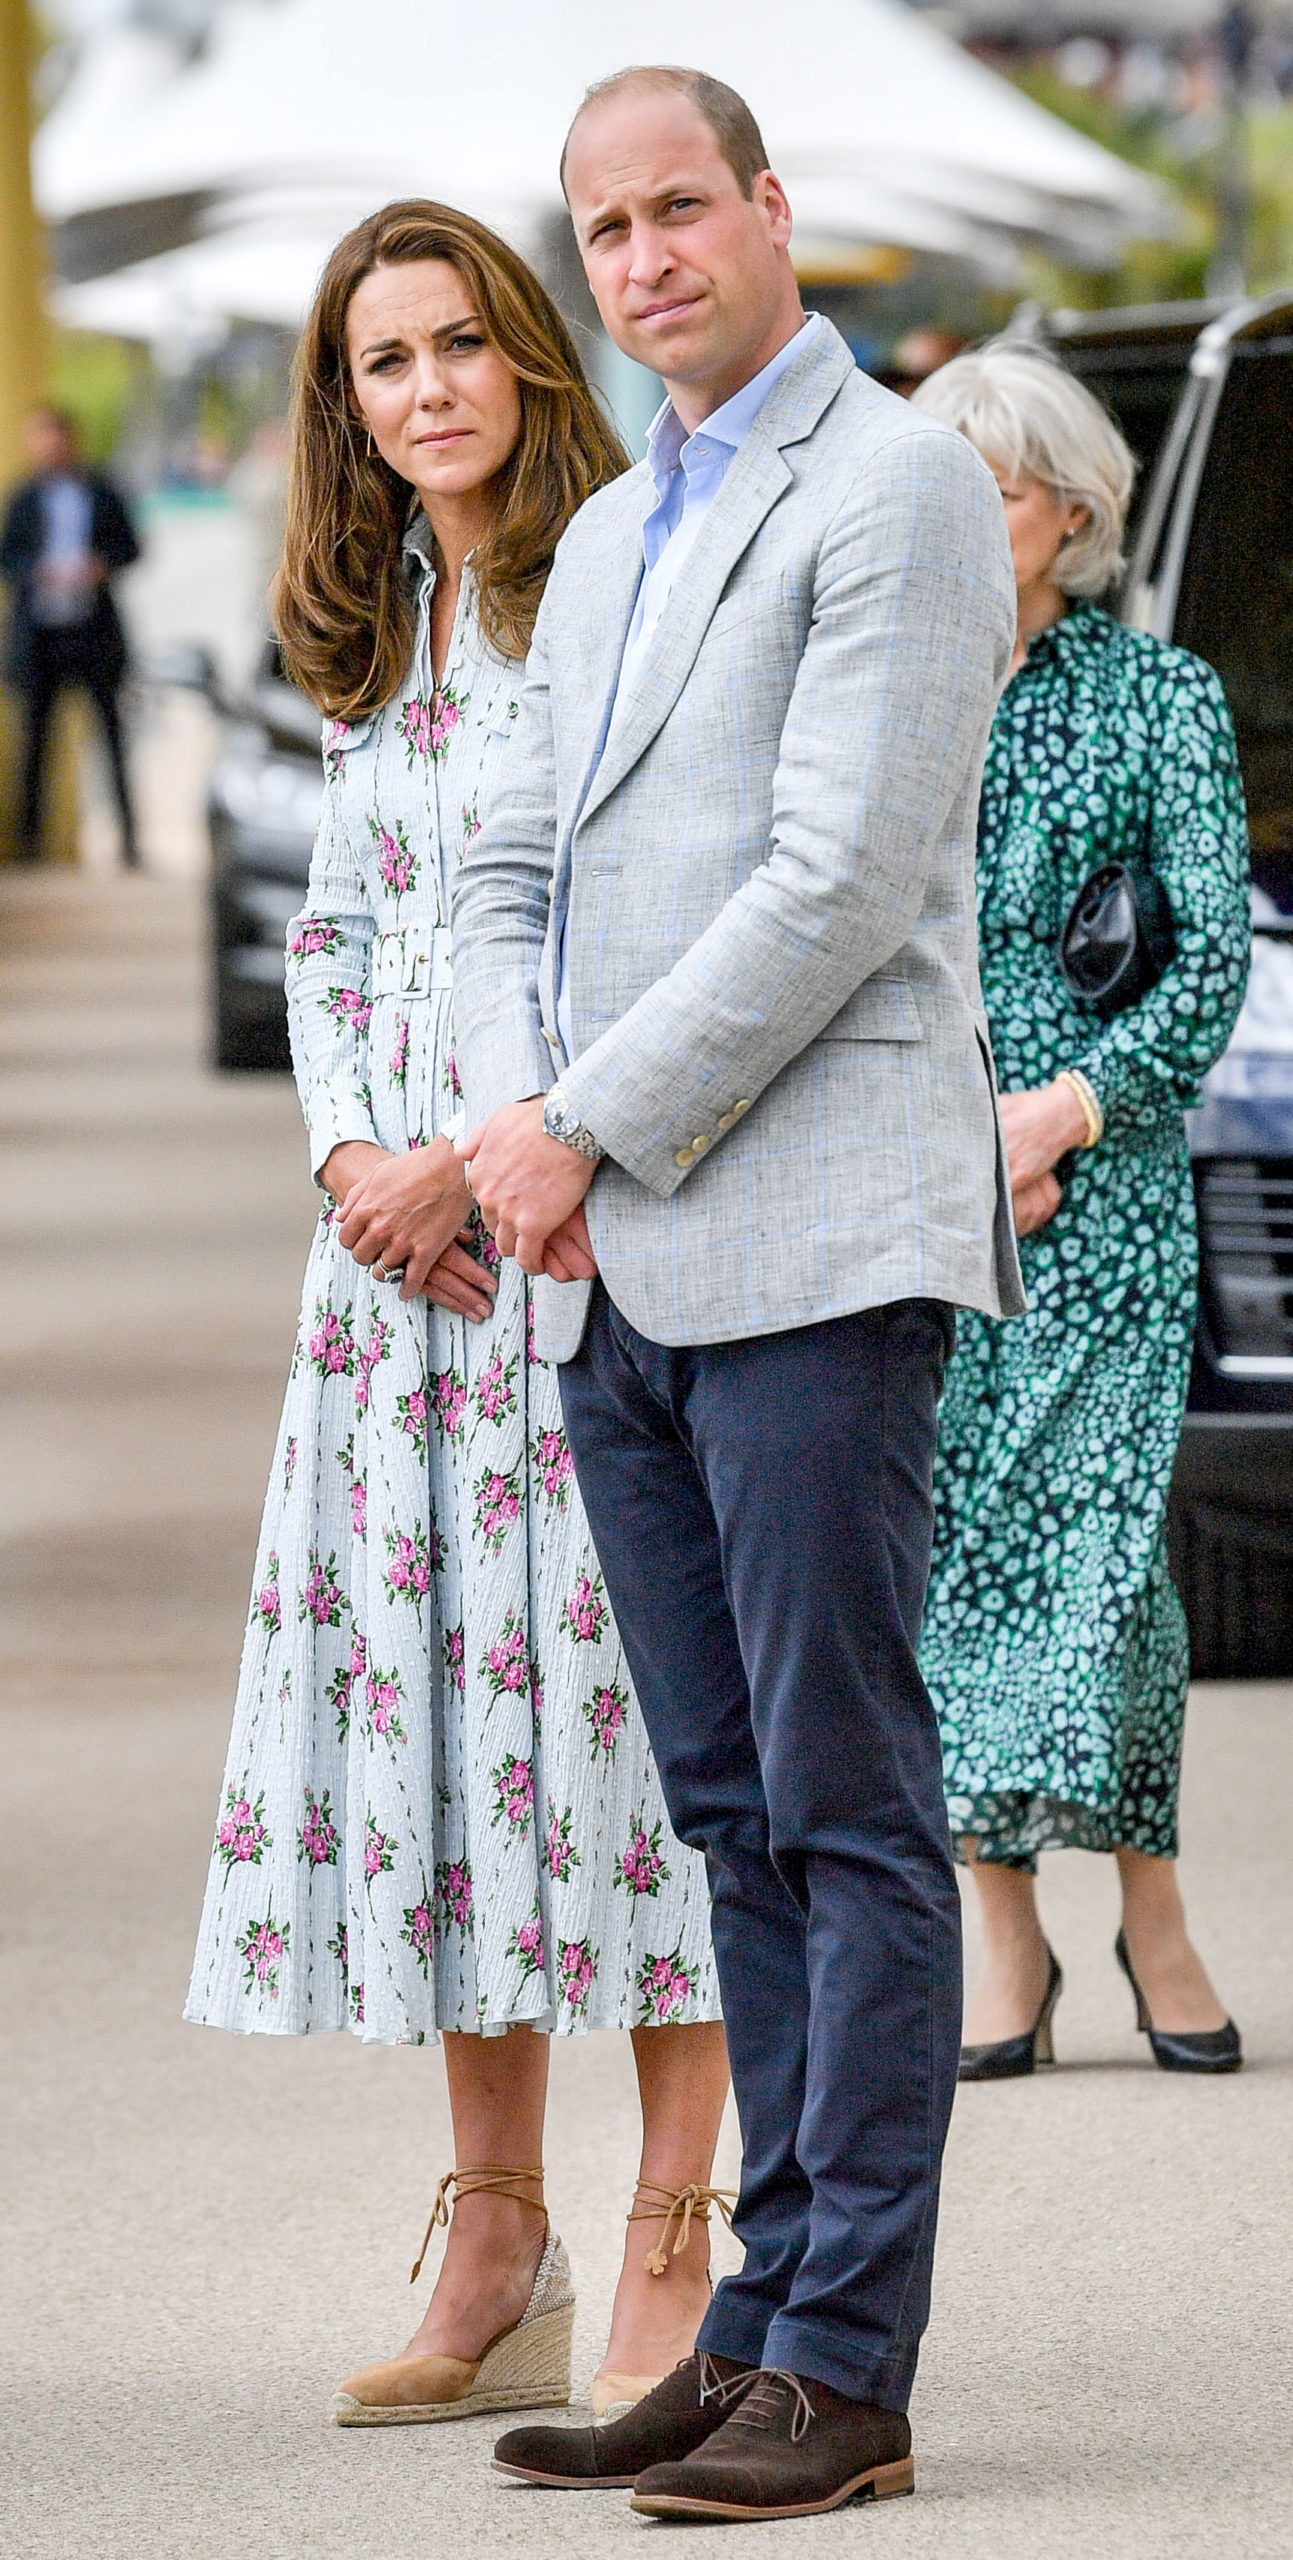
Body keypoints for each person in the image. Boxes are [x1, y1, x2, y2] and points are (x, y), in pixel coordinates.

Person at [453, 66, 1021, 2526]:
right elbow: (504, 872)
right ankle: (760, 2331)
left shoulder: (885, 484)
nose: (643, 254)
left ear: (773, 211)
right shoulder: (599, 535)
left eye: (678, 204)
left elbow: (828, 881)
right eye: (603, 224)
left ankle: (849, 2362)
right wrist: (512, 1131)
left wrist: (575, 1126)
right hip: (612, 1264)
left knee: (842, 1804)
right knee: (722, 1814)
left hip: (806, 1238)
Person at [184, 200, 729, 2430]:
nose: (422, 389)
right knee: (444, 1750)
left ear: (521, 354)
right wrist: (345, 1164)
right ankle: (488, 2214)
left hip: (561, 1246)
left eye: (451, 347)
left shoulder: (606, 586)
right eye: (378, 361)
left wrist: (481, 1159)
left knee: (631, 1753)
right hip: (388, 1290)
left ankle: (682, 2225)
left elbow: (645, 919)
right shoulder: (379, 621)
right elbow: (329, 939)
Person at [910, 343, 1249, 2079]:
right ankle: (1003, 1931)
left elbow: (1199, 969)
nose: (964, 515)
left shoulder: (1159, 698)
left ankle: (1152, 1901)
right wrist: (956, 1136)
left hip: (1101, 1184)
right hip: (909, 1175)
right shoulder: (882, 688)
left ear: (1072, 511)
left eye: (995, 485)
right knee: (959, 1556)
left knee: (1110, 1556)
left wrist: (1065, 1108)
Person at [0, 404, 141, 867]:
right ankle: (29, 848)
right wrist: (36, 572)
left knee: (112, 741)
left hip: (93, 632)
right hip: (40, 636)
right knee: (36, 746)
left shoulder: (101, 490)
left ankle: (130, 843)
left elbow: (132, 546)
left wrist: (101, 566)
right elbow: (9, 557)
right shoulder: (23, 498)